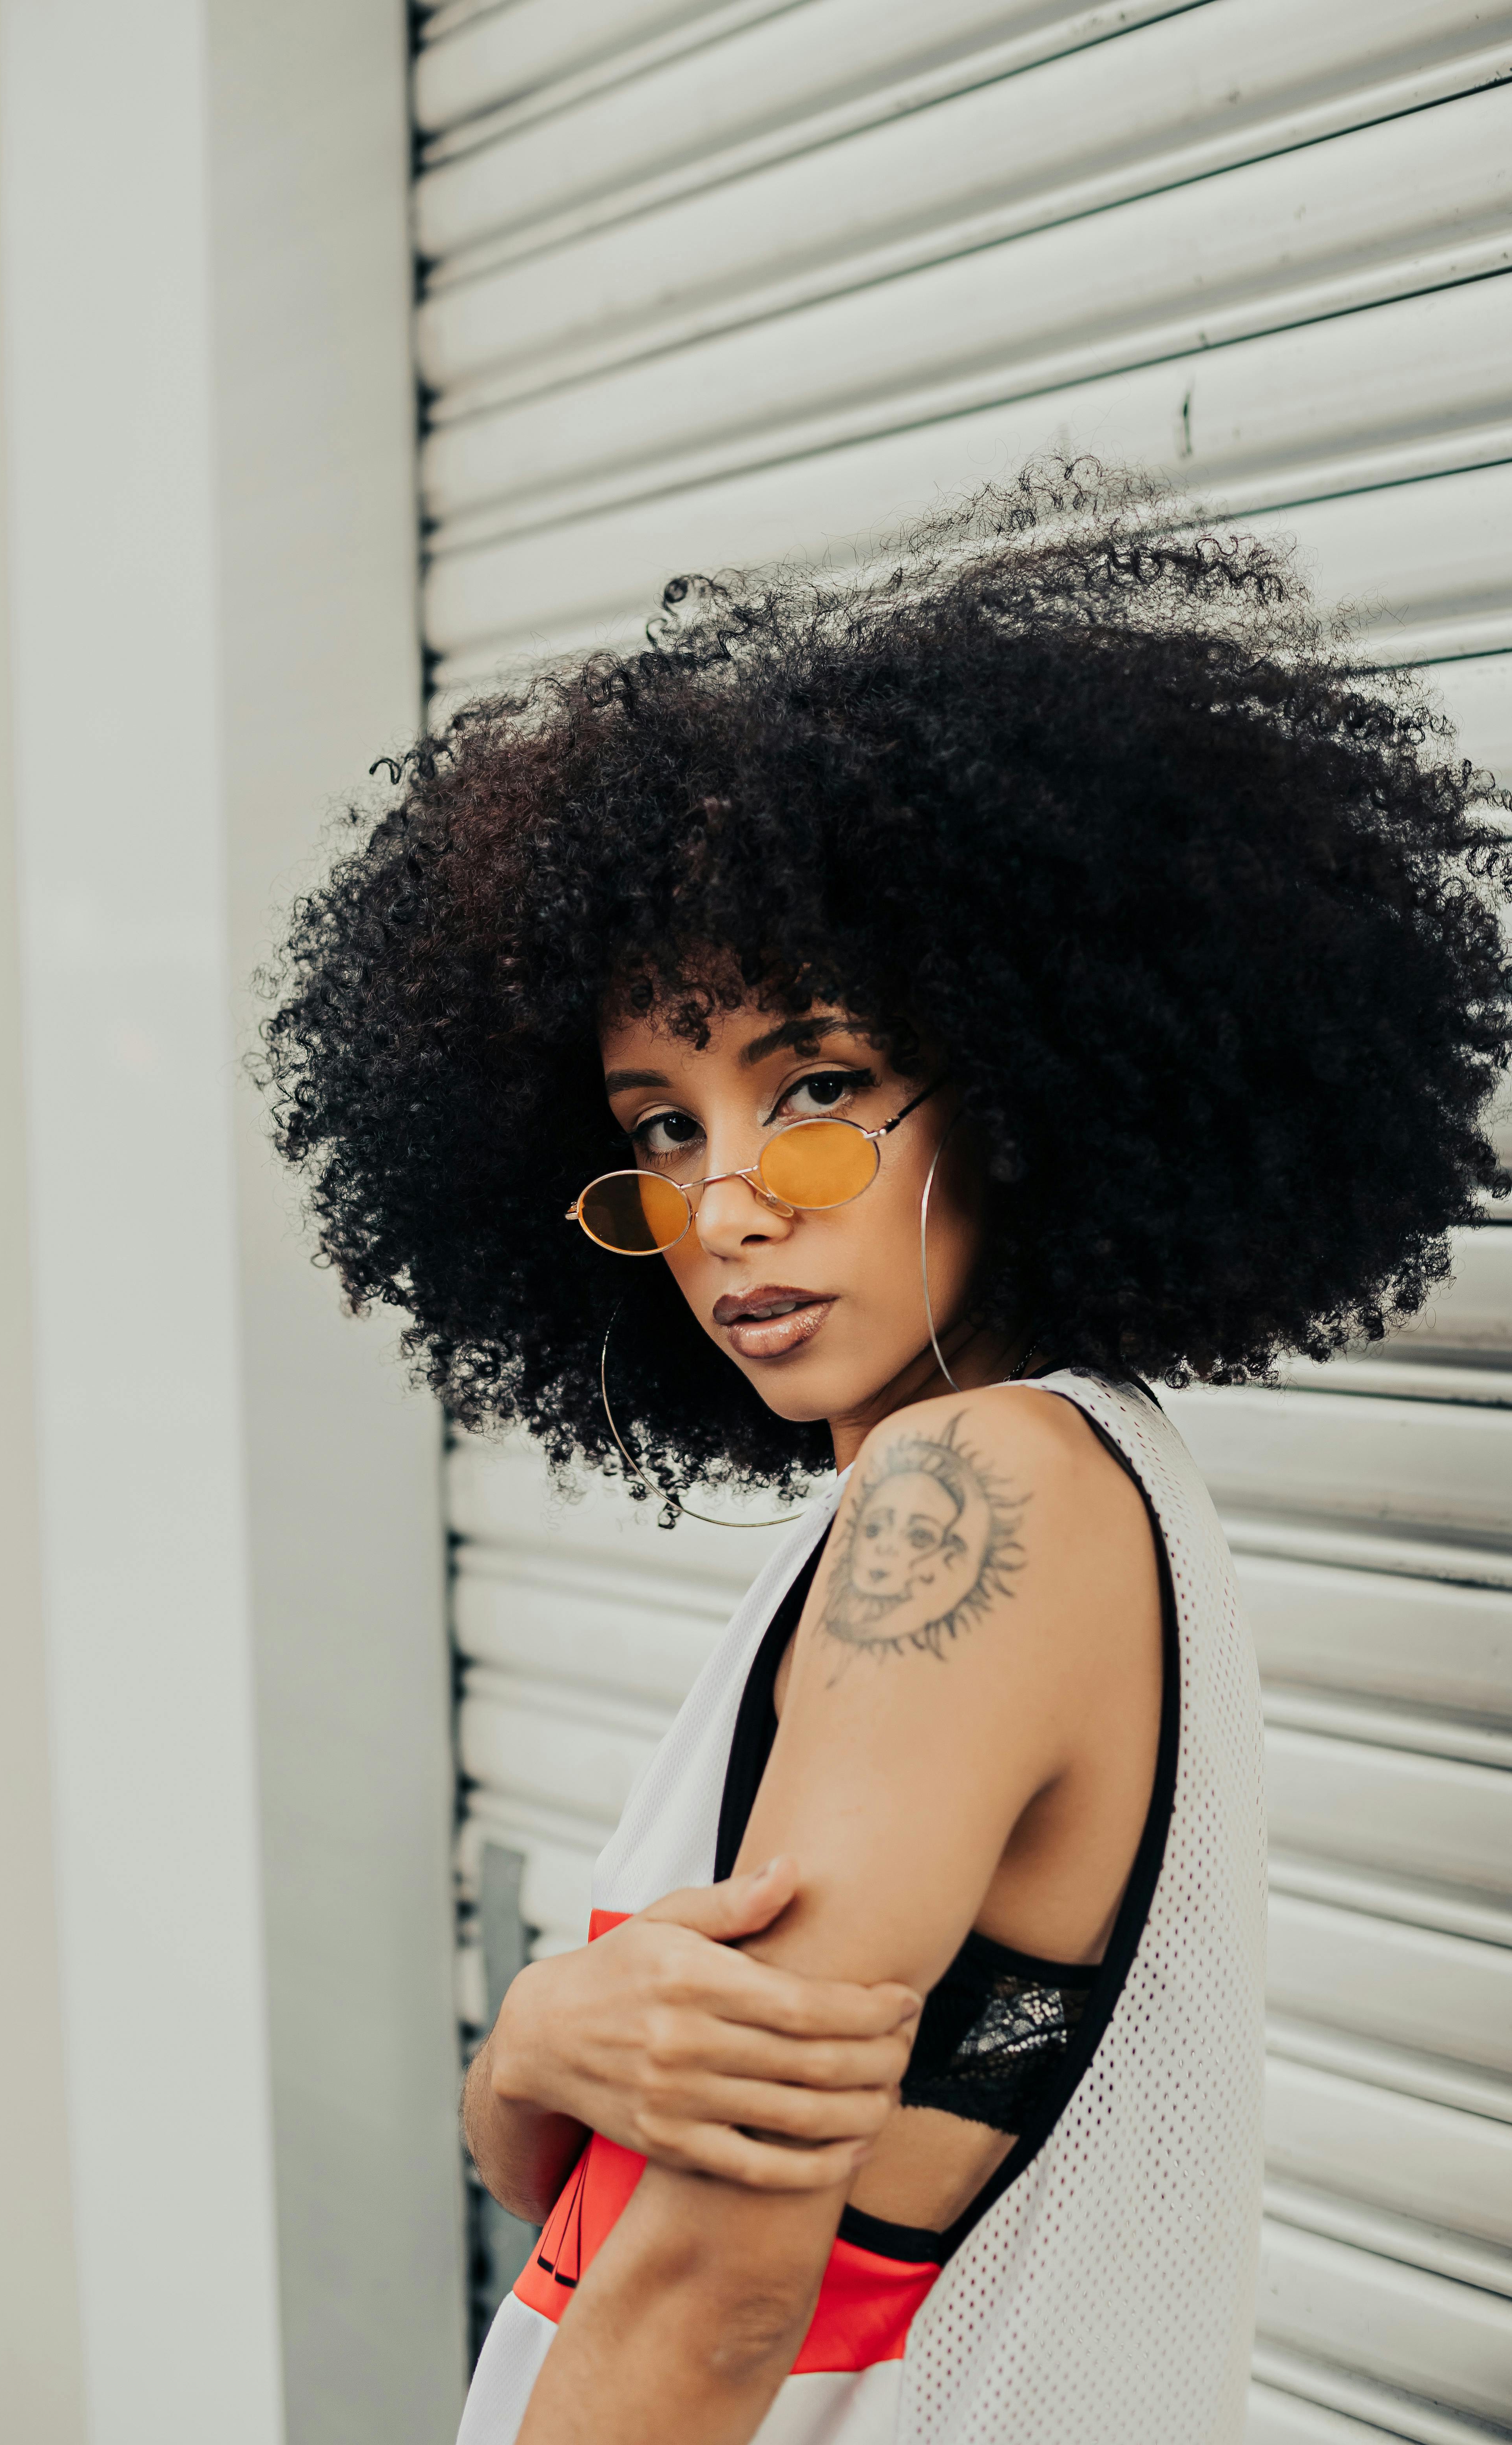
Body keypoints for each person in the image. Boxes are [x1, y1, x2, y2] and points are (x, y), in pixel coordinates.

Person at [262, 466, 1510, 2443]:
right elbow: (601, 2202)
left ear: (1021, 1089)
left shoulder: (978, 1495)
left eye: (817, 1086)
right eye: (658, 1126)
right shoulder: (969, 1488)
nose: (729, 1204)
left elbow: (711, 2285)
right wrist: (534, 2045)